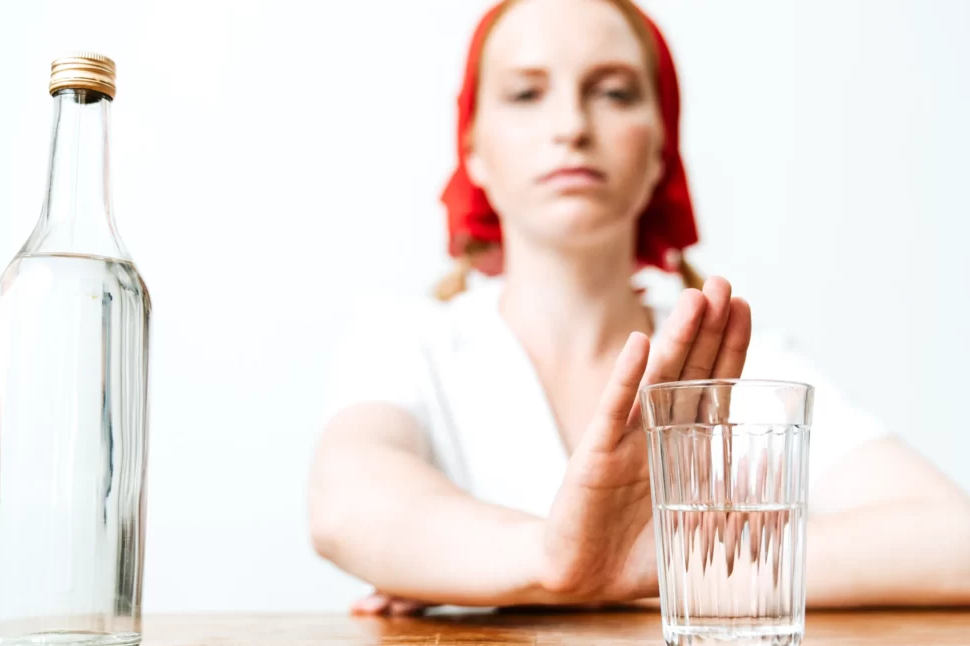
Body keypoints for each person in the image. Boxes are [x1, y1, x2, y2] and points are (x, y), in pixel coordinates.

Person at [309, 0, 970, 615]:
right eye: (526, 94)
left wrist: (641, 567)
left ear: (661, 150)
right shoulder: (406, 340)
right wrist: (557, 561)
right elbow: (349, 505)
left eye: (614, 92)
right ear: (473, 151)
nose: (571, 126)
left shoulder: (746, 362)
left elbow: (953, 541)